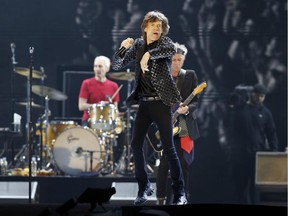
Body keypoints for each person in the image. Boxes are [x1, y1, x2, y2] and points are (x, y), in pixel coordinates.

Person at [111, 10, 187, 205]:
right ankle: (144, 188)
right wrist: (122, 48)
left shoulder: (166, 44)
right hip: (144, 103)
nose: (157, 28)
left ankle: (179, 193)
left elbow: (169, 50)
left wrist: (148, 55)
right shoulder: (137, 45)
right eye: (153, 25)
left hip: (161, 103)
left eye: (159, 26)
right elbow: (117, 64)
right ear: (145, 27)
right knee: (136, 145)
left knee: (169, 149)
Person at [155, 42, 200, 205]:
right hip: (167, 125)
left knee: (183, 164)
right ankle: (161, 198)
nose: (177, 63)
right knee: (164, 165)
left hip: (184, 126)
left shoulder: (190, 75)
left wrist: (187, 109)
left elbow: (196, 102)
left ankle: (182, 196)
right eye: (174, 60)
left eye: (180, 60)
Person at [229, 83, 279, 205]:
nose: (260, 98)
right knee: (240, 189)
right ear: (252, 94)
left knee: (255, 189)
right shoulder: (239, 110)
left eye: (262, 96)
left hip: (257, 157)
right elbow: (232, 132)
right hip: (240, 157)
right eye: (258, 95)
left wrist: (274, 153)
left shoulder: (265, 112)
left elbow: (271, 133)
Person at [78, 55, 120, 127]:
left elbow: (115, 109)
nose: (97, 69)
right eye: (95, 66)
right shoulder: (87, 83)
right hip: (89, 120)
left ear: (107, 68)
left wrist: (118, 117)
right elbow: (81, 106)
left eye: (100, 66)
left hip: (107, 122)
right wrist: (100, 105)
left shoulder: (114, 86)